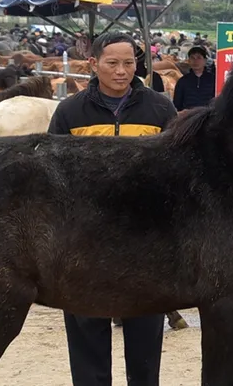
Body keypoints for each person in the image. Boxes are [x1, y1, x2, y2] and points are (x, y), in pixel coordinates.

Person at [48, 31, 177, 386]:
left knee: (146, 336)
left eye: (129, 63)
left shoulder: (160, 108)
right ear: (93, 64)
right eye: (112, 63)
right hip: (85, 242)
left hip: (146, 241)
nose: (122, 71)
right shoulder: (70, 112)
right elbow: (51, 174)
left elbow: (180, 170)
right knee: (87, 334)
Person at [173, 45, 216, 111]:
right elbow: (177, 104)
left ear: (205, 61)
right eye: (192, 58)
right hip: (188, 117)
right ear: (189, 61)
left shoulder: (213, 80)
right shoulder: (182, 81)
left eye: (199, 58)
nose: (195, 61)